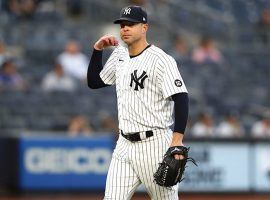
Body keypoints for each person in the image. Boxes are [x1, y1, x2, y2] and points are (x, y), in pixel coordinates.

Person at [87, 5, 189, 199]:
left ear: (144, 28)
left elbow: (181, 97)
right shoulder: (119, 54)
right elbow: (95, 82)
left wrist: (177, 140)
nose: (125, 28)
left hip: (155, 144)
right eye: (122, 24)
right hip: (124, 145)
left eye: (131, 24)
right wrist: (97, 50)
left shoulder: (161, 60)